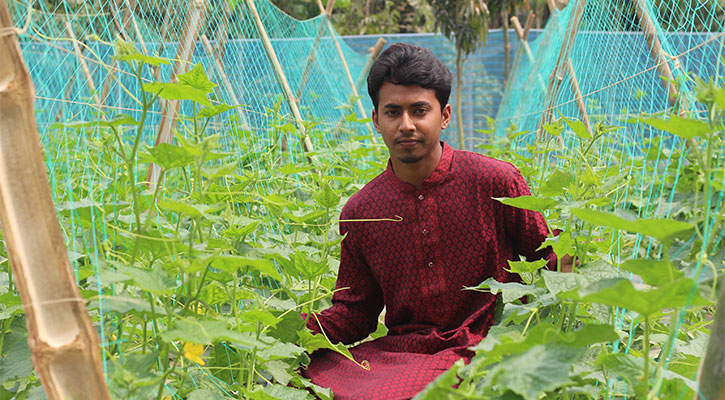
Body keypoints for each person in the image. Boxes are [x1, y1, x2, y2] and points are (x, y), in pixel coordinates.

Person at [302, 43, 572, 400]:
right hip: (403, 351)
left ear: (444, 116)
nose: (406, 125)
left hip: (490, 343)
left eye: (419, 110)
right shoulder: (361, 211)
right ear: (376, 120)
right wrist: (288, 333)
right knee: (306, 375)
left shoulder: (495, 181)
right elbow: (357, 311)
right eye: (393, 112)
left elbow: (550, 255)